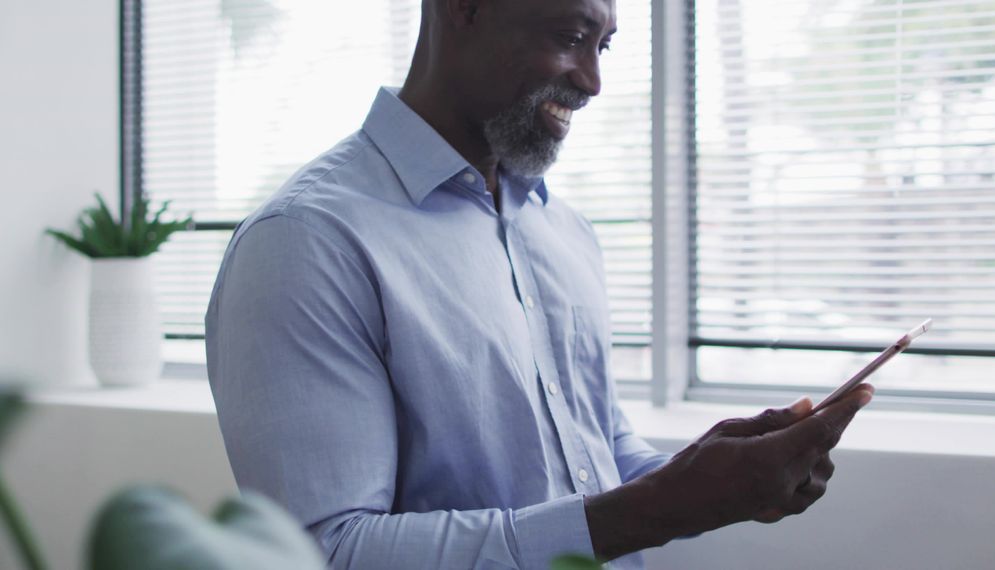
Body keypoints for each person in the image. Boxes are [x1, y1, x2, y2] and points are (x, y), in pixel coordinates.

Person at [204, 0, 874, 568]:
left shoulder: (564, 232)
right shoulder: (306, 242)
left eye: (604, 46)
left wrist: (714, 478)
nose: (593, 80)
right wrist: (659, 508)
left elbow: (596, 458)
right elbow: (331, 550)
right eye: (571, 37)